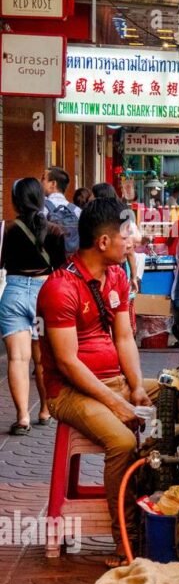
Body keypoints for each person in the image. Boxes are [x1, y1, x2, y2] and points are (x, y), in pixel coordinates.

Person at [37, 198, 160, 567]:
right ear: (104, 242)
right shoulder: (60, 289)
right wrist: (116, 402)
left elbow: (124, 338)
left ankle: (165, 511)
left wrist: (136, 385)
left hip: (115, 382)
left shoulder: (118, 276)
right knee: (122, 442)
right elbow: (67, 362)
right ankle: (127, 541)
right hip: (71, 392)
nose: (134, 240)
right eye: (128, 233)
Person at [0, 178, 66, 434]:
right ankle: (45, 410)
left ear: (16, 200)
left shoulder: (5, 229)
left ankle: (22, 417)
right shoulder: (55, 231)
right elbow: (60, 270)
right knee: (41, 360)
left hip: (14, 294)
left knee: (17, 358)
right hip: (44, 297)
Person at [42, 166, 80, 254]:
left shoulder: (42, 208)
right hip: (71, 261)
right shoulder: (77, 211)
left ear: (53, 184)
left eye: (43, 178)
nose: (41, 182)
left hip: (50, 261)